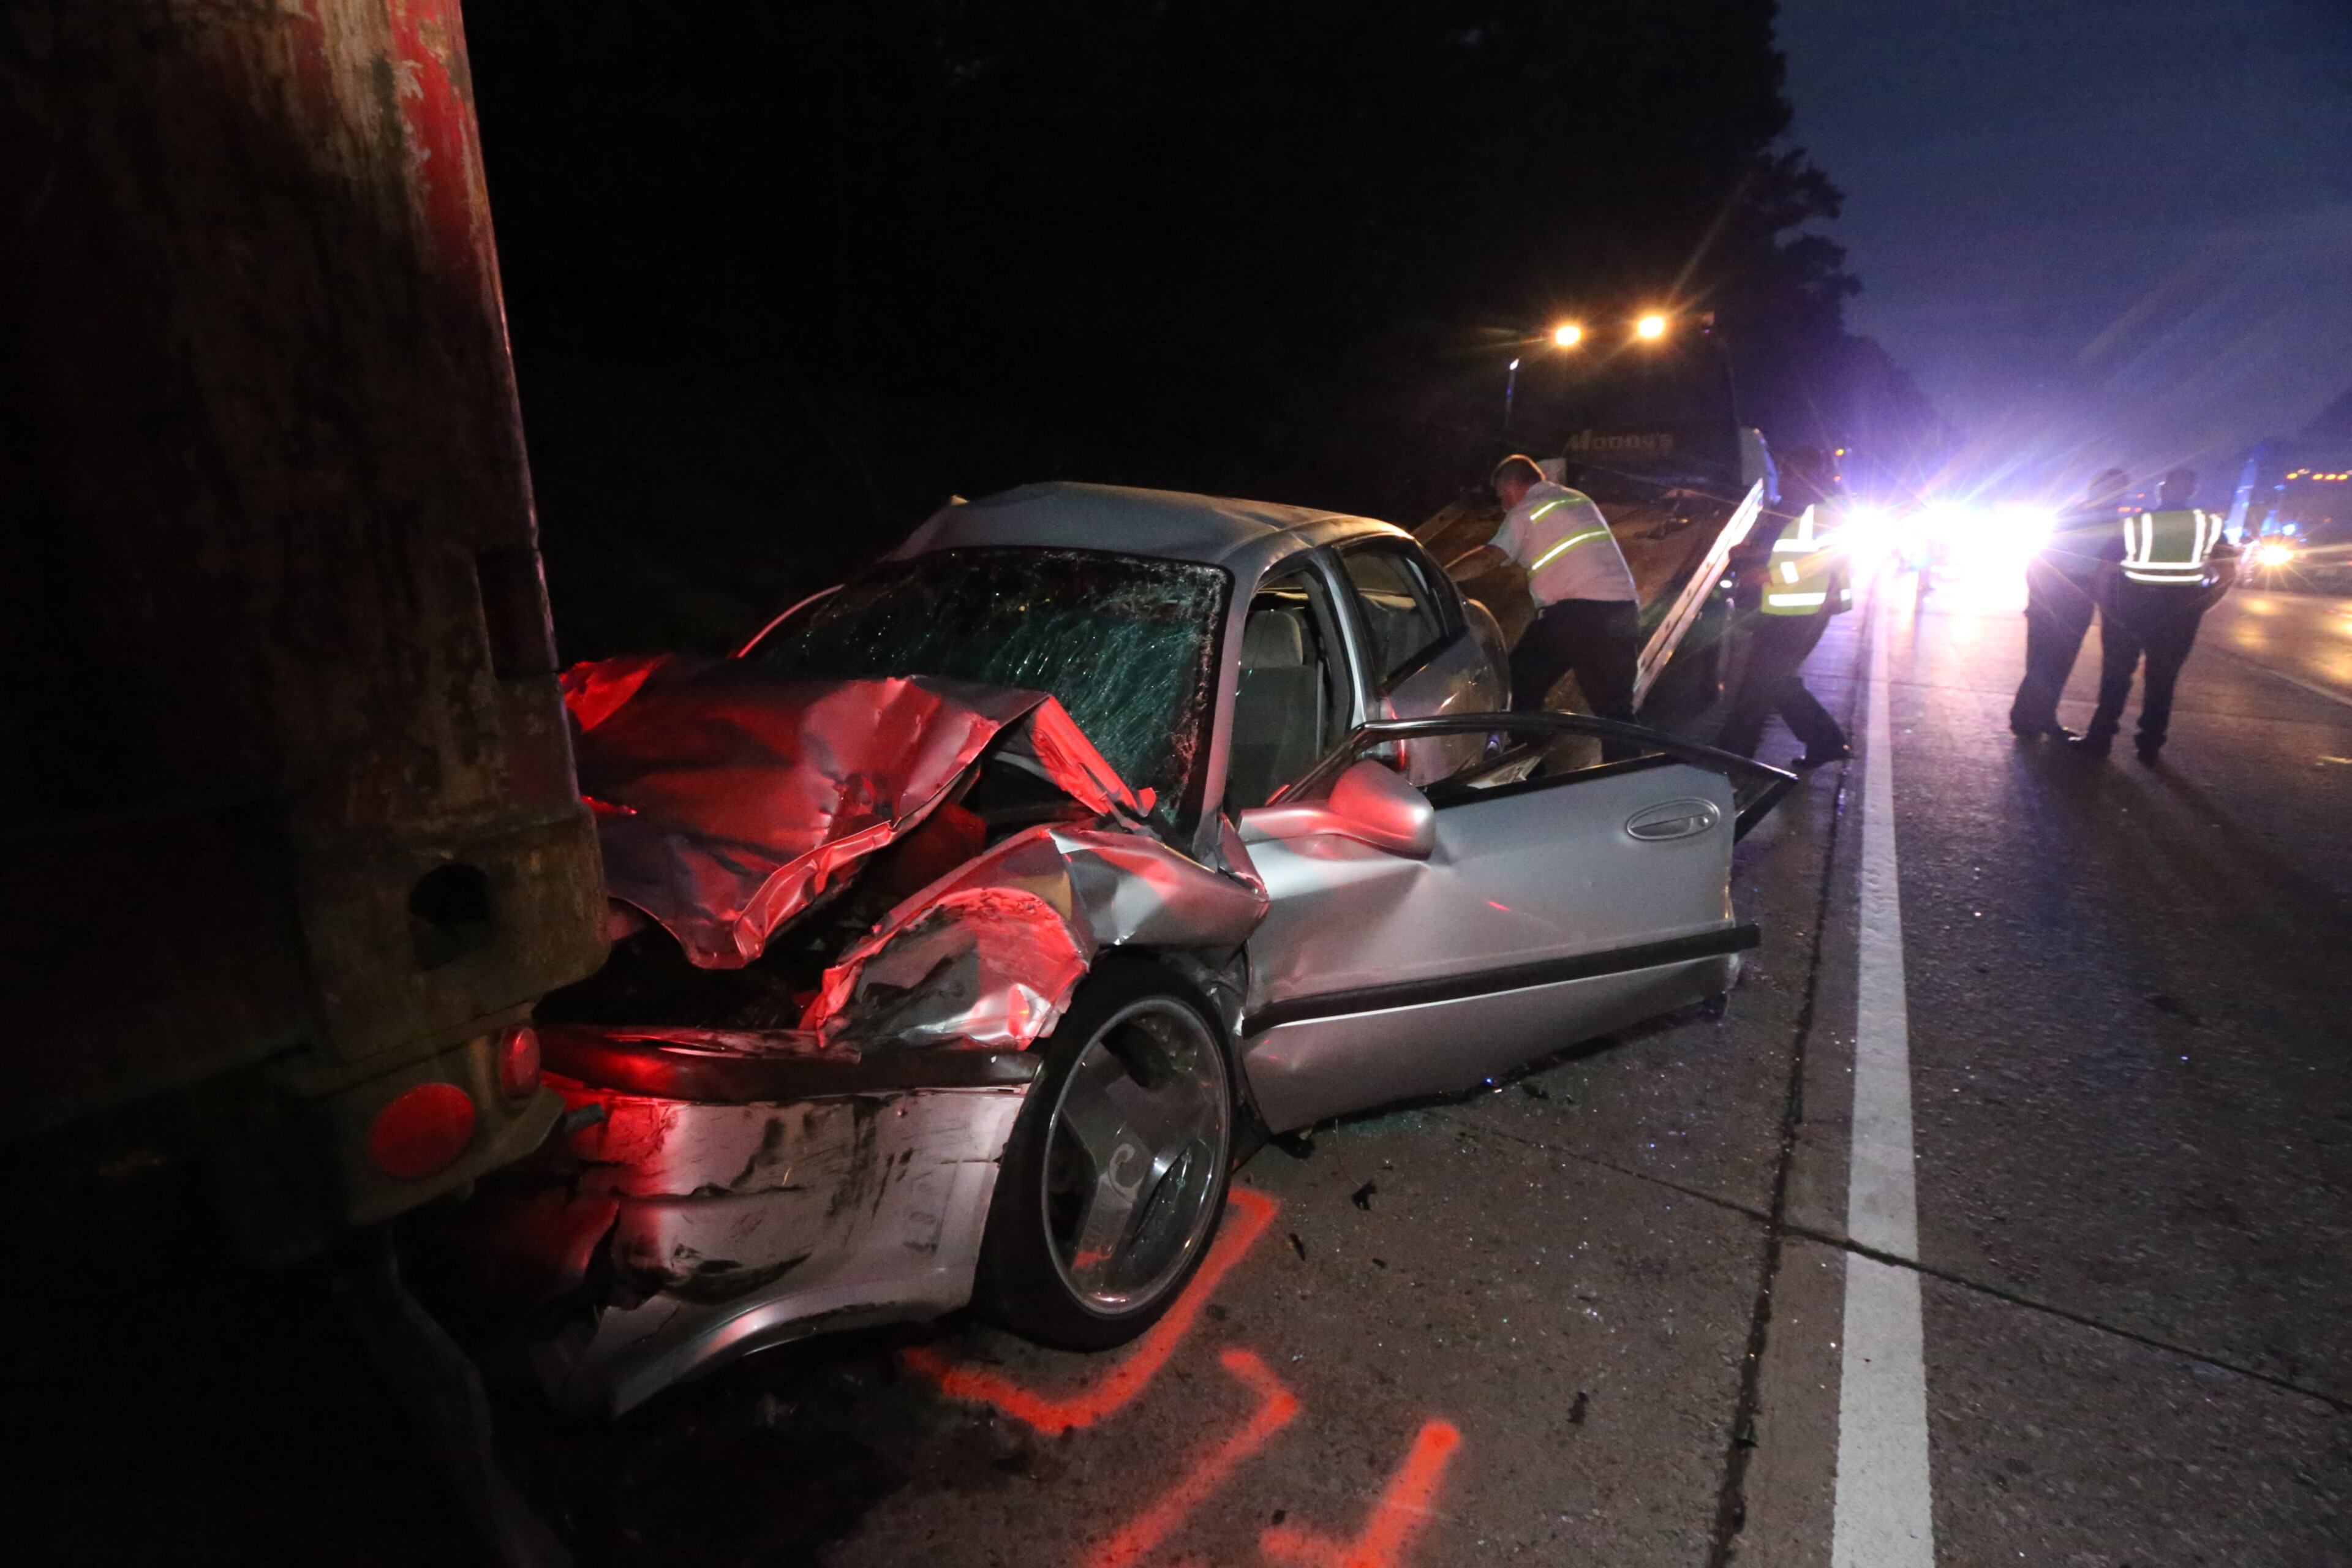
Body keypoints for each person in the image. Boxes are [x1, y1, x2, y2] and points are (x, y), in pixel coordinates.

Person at [2069, 467, 2237, 763]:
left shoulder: (2138, 523)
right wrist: (2202, 604)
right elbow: (2227, 573)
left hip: (2130, 607)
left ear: (2162, 489)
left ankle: (2100, 739)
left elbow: (2106, 569)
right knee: (2163, 679)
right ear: (2192, 491)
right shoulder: (2208, 525)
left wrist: (2107, 606)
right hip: (2179, 612)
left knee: (2116, 675)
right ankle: (2150, 746)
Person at [1716, 450, 1853, 767]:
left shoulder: (1824, 512)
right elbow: (1784, 550)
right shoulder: (1791, 507)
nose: (1784, 478)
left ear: (1808, 476)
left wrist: (1769, 576)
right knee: (1775, 682)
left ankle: (1732, 758)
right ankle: (1826, 742)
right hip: (1782, 610)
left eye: (1790, 472)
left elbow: (1824, 560)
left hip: (1804, 612)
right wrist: (1751, 555)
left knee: (1759, 684)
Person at [1490, 455, 1642, 740]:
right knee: (1617, 712)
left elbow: (1491, 556)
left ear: (1514, 486)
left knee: (1520, 678)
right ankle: (1627, 777)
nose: (1503, 506)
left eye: (1502, 496)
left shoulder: (1527, 510)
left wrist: (1440, 574)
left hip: (1576, 616)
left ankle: (1528, 761)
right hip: (1623, 610)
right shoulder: (1577, 499)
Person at [2009, 469, 2128, 739]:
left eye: (2119, 489)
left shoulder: (2112, 523)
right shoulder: (2075, 517)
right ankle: (2026, 719)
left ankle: (2042, 717)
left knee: (2058, 661)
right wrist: (2039, 596)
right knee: (2045, 660)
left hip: (2076, 594)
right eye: (2111, 488)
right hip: (2061, 591)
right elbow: (2042, 557)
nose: (2115, 494)